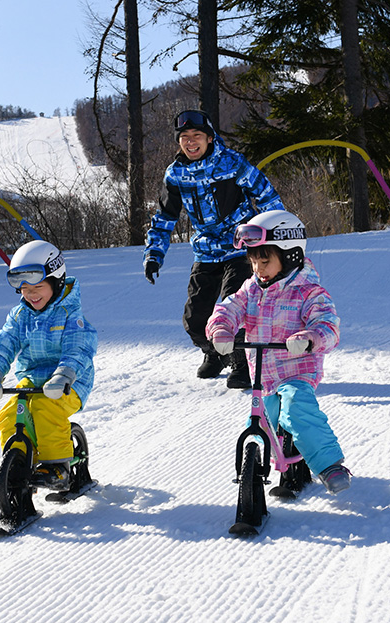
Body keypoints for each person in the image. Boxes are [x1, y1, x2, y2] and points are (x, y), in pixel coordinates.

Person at [204, 209, 351, 495]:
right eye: (253, 260)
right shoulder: (251, 290)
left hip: (297, 371)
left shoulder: (309, 292)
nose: (258, 267)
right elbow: (229, 307)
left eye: (265, 260)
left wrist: (310, 337)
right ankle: (275, 468)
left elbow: (328, 326)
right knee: (263, 422)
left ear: (290, 255)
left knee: (296, 410)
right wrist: (221, 329)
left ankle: (330, 464)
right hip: (264, 376)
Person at [143, 109, 286, 390]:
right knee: (195, 317)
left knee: (235, 306)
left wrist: (279, 236)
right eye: (184, 137)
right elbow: (164, 217)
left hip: (241, 247)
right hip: (206, 251)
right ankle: (214, 353)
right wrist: (154, 254)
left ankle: (242, 362)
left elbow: (266, 195)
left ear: (210, 138)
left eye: (197, 136)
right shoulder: (176, 174)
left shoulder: (232, 163)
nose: (191, 142)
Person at [0, 240, 98, 490]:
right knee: (11, 412)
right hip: (33, 379)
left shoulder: (71, 316)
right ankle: (19, 464)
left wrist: (64, 375)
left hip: (71, 381)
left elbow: (79, 349)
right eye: (24, 289)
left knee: (45, 407)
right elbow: (4, 343)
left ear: (56, 282)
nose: (31, 294)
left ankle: (58, 467)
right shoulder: (20, 316)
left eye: (38, 287)